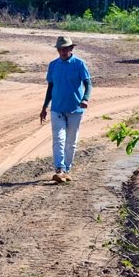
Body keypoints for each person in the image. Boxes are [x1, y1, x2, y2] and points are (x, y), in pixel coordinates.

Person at [39, 36, 91, 183]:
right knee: (58, 139)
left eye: (65, 49)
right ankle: (59, 169)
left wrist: (85, 99)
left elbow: (88, 83)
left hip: (75, 110)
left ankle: (67, 170)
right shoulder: (53, 65)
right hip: (57, 109)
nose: (62, 51)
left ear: (71, 49)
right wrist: (44, 107)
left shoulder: (79, 64)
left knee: (71, 142)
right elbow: (50, 87)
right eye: (60, 49)